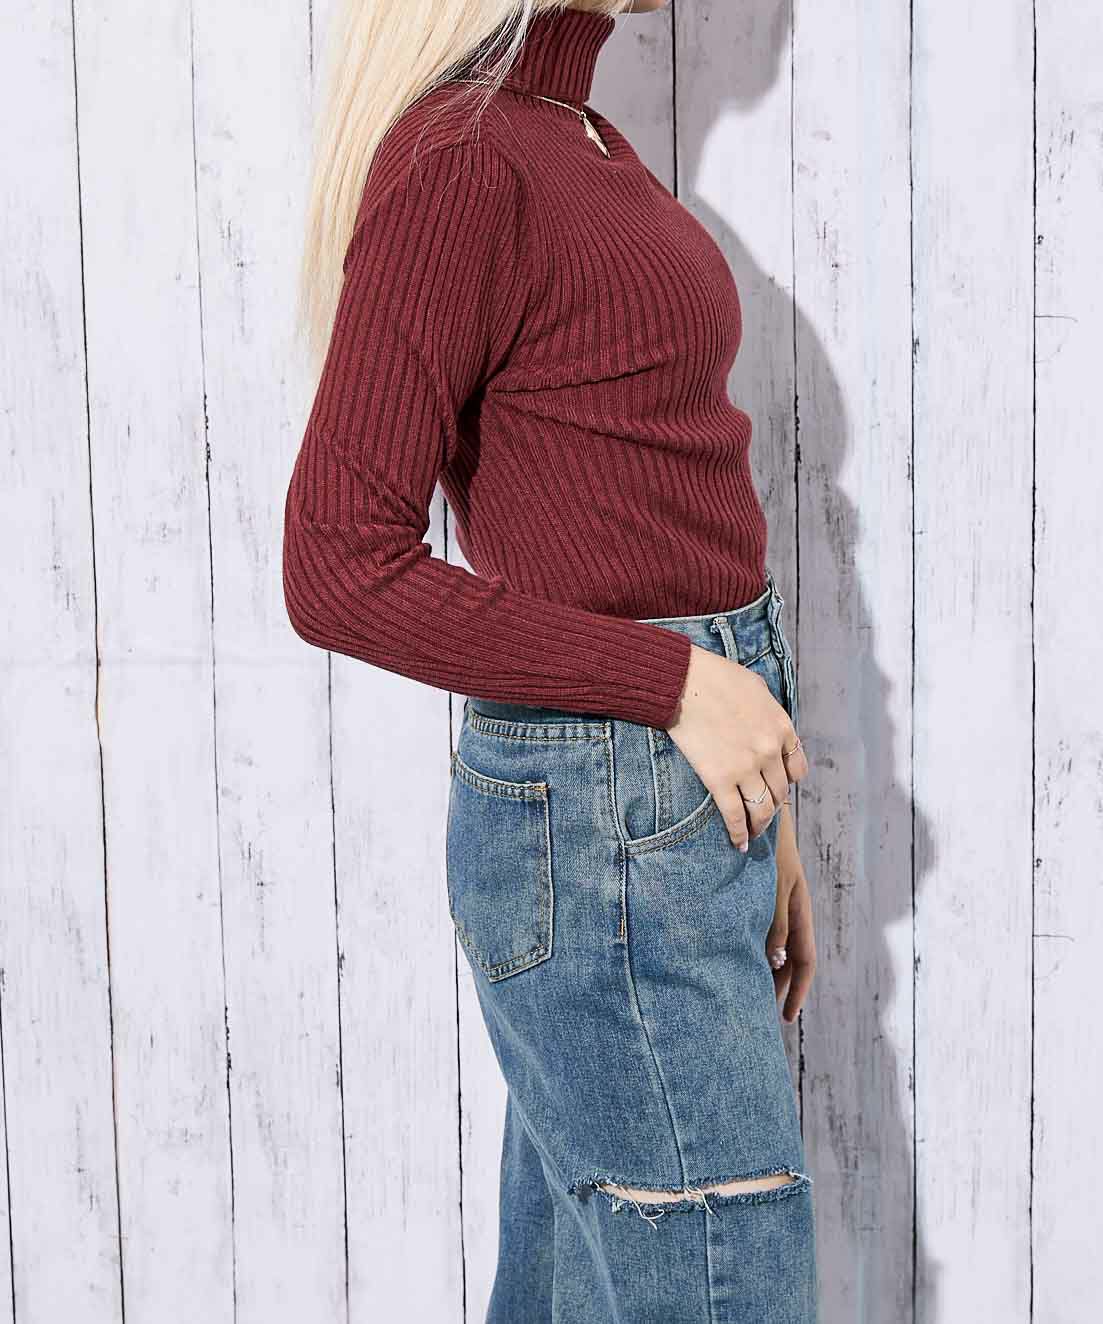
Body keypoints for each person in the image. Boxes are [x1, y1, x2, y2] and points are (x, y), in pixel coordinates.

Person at [282, 2, 819, 1319]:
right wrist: (677, 687)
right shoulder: (466, 159)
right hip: (608, 814)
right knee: (724, 1282)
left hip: (669, 799)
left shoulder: (572, 135)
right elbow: (338, 566)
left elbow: (668, 518)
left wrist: (753, 790)